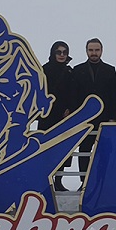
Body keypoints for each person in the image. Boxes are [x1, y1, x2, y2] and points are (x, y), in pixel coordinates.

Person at [72, 39, 116, 182]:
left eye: (96, 50)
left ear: (101, 51)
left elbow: (114, 96)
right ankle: (83, 182)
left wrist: (112, 118)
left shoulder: (110, 70)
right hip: (84, 119)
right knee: (84, 151)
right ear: (86, 51)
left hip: (104, 118)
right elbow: (73, 96)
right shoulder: (78, 70)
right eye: (91, 50)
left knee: (103, 152)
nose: (94, 53)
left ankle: (101, 181)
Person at [41, 41, 81, 191]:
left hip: (64, 117)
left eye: (65, 52)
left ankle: (59, 181)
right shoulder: (43, 71)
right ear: (53, 53)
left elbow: (74, 93)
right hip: (47, 116)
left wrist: (71, 108)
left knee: (63, 150)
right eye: (59, 52)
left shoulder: (70, 72)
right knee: (46, 150)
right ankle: (46, 182)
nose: (62, 55)